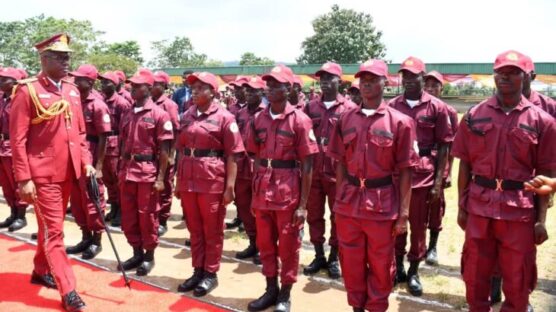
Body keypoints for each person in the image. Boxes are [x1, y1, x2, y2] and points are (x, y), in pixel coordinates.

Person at [452, 50, 556, 312]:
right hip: (479, 206)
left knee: (517, 279)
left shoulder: (542, 121)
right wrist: (462, 207)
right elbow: (465, 163)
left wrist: (541, 220)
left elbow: (545, 173)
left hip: (518, 211)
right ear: (494, 77)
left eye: (513, 73)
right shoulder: (474, 115)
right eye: (500, 73)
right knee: (475, 273)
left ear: (525, 77)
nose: (505, 78)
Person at [10, 33, 93, 311]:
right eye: (59, 56)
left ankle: (39, 269)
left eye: (68, 56)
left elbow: (80, 133)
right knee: (56, 232)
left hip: (69, 172)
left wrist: (87, 161)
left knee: (48, 227)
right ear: (44, 59)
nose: (66, 60)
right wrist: (24, 179)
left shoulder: (71, 89)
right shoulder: (27, 90)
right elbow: (18, 139)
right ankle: (68, 291)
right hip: (43, 175)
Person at [328, 59, 416, 312]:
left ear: (384, 82)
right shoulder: (345, 119)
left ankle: (376, 307)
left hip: (382, 203)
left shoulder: (400, 122)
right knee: (351, 260)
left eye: (372, 78)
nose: (366, 83)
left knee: (380, 263)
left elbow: (406, 170)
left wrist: (404, 214)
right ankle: (356, 306)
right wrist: (340, 198)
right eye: (362, 78)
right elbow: (341, 162)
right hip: (350, 203)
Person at [246, 66, 318, 312]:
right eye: (269, 84)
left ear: (288, 89)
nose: (271, 88)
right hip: (263, 191)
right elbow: (253, 154)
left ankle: (285, 294)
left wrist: (303, 206)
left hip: (288, 190)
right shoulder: (258, 119)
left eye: (277, 85)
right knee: (265, 245)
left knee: (288, 247)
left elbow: (308, 165)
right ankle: (270, 289)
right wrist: (257, 190)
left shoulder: (300, 120)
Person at [175, 72, 244, 296]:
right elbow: (180, 151)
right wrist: (178, 180)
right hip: (189, 179)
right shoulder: (186, 115)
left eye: (200, 88)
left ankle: (210, 273)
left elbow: (233, 154)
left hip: (212, 181)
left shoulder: (225, 118)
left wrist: (230, 187)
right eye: (192, 87)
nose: (194, 91)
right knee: (194, 229)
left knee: (212, 230)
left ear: (213, 92)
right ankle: (197, 270)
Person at [388, 56, 454, 296]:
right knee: (396, 222)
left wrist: (438, 182)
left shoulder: (437, 107)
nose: (408, 80)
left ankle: (414, 270)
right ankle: (397, 268)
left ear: (422, 78)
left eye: (413, 76)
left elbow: (445, 145)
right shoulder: (392, 106)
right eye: (404, 75)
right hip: (396, 175)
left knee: (417, 225)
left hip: (423, 174)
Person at [302, 62, 357, 279]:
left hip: (338, 173)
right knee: (314, 215)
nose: (325, 83)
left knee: (337, 216)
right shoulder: (310, 107)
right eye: (322, 79)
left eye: (329, 79)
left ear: (340, 81)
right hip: (314, 171)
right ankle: (318, 254)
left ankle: (334, 257)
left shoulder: (349, 109)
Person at [117, 69, 173, 276]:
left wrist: (161, 179)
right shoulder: (128, 112)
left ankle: (149, 256)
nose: (132, 88)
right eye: (131, 85)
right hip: (128, 171)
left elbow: (165, 149)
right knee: (129, 216)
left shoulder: (159, 114)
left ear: (149, 88)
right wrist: (120, 168)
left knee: (147, 216)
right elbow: (123, 143)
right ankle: (136, 252)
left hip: (147, 172)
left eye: (137, 85)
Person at [65, 64, 111, 260]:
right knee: (77, 201)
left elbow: (103, 138)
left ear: (90, 82)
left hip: (90, 154)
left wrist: (99, 166)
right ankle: (85, 236)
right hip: (74, 154)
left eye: (79, 79)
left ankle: (96, 241)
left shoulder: (98, 105)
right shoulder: (72, 101)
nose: (74, 81)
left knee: (93, 200)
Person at [422, 70, 459, 266]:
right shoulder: (419, 107)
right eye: (427, 84)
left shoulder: (449, 112)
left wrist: (447, 172)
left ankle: (432, 246)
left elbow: (452, 147)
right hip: (419, 163)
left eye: (434, 85)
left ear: (441, 89)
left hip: (439, 162)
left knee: (436, 207)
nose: (430, 88)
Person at [233, 76, 266, 264]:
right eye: (248, 90)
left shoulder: (266, 113)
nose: (249, 93)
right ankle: (253, 242)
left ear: (262, 93)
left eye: (254, 90)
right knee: (243, 207)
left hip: (259, 167)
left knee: (259, 209)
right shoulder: (241, 113)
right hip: (241, 166)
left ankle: (263, 246)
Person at [98, 71, 131, 227]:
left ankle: (122, 212)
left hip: (116, 144)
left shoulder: (122, 103)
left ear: (116, 84)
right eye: (102, 82)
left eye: (107, 82)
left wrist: (123, 151)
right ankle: (115, 208)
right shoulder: (101, 100)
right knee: (108, 180)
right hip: (104, 144)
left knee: (118, 181)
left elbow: (126, 128)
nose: (103, 85)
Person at [0, 68, 29, 232]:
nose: (0, 82)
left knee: (17, 183)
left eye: (4, 79)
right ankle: (12, 213)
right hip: (2, 146)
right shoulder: (2, 99)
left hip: (14, 147)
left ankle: (21, 216)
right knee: (6, 184)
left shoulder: (19, 99)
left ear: (14, 83)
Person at [152, 71, 180, 236]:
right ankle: (154, 217)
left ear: (164, 86)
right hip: (152, 154)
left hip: (165, 152)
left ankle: (162, 219)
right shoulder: (148, 103)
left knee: (166, 187)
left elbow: (176, 132)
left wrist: (171, 155)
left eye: (157, 84)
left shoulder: (169, 105)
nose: (153, 87)